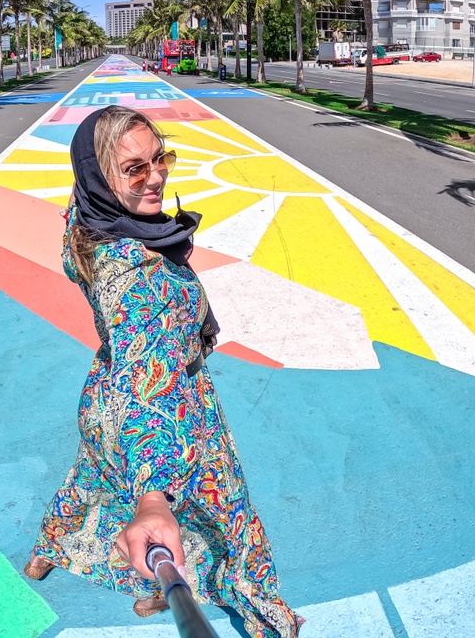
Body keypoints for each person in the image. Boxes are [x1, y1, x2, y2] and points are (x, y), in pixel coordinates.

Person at [24, 106, 302, 636]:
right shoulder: (140, 275)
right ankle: (262, 611)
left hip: (106, 397)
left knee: (92, 481)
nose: (155, 177)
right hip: (170, 404)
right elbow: (153, 394)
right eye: (134, 169)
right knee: (223, 513)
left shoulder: (90, 223)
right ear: (100, 177)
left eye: (160, 159)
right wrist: (154, 496)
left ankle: (50, 550)